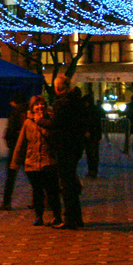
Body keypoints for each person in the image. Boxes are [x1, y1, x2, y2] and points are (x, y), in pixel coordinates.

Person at [44, 74, 89, 228]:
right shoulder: (76, 101)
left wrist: (41, 121)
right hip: (76, 145)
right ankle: (77, 218)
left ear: (57, 88)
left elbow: (56, 124)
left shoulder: (62, 103)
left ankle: (70, 219)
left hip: (64, 146)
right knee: (70, 181)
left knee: (66, 184)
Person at [11, 96, 60, 226]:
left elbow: (54, 138)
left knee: (52, 191)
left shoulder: (50, 120)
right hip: (32, 163)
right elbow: (21, 143)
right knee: (37, 191)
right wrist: (15, 162)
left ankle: (57, 216)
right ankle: (39, 216)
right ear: (32, 107)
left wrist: (42, 122)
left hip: (48, 161)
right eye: (36, 105)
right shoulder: (27, 122)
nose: (39, 107)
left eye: (42, 104)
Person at [0, 95, 25, 209]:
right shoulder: (28, 112)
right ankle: (40, 199)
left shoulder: (14, 113)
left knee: (10, 176)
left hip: (15, 148)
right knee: (33, 175)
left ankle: (6, 202)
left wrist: (9, 142)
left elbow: (11, 131)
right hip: (27, 147)